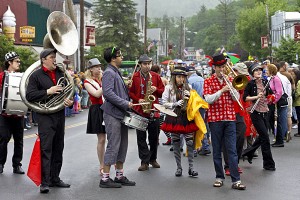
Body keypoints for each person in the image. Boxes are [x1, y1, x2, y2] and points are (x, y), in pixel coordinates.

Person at [26, 48, 74, 193]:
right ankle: (44, 182)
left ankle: (55, 178)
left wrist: (69, 100)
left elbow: (69, 90)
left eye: (55, 57)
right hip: (45, 116)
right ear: (43, 60)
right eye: (52, 57)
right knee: (46, 149)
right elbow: (30, 95)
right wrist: (48, 91)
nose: (55, 59)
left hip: (59, 113)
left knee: (59, 146)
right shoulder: (36, 76)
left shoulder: (60, 73)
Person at [203, 53, 246, 190]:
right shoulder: (208, 81)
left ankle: (236, 180)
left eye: (223, 66)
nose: (222, 69)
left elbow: (236, 99)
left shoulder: (231, 79)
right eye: (219, 67)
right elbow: (208, 99)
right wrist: (222, 90)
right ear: (214, 67)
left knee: (232, 150)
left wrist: (232, 88)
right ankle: (219, 177)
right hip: (215, 119)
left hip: (229, 118)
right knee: (216, 150)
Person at [100, 47, 135, 188]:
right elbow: (107, 93)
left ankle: (119, 175)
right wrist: (125, 103)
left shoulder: (115, 72)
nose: (122, 57)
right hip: (112, 113)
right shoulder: (109, 72)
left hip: (120, 113)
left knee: (122, 145)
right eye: (120, 55)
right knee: (113, 145)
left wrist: (126, 86)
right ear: (113, 58)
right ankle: (105, 179)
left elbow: (115, 90)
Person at [161, 66, 199, 177]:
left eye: (182, 77)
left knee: (190, 143)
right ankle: (179, 168)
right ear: (174, 77)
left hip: (186, 117)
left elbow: (194, 103)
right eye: (178, 77)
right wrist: (175, 104)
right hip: (173, 116)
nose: (181, 79)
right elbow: (163, 102)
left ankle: (191, 168)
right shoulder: (168, 88)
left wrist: (190, 99)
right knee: (176, 143)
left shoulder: (189, 87)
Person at [129, 55, 164, 171]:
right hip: (139, 111)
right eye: (145, 64)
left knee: (154, 138)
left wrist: (156, 90)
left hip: (153, 110)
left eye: (149, 64)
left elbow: (162, 91)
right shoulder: (134, 77)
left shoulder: (156, 76)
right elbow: (130, 92)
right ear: (140, 65)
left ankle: (153, 159)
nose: (147, 66)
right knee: (141, 138)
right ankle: (144, 161)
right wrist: (138, 99)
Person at [242, 63, 276, 171]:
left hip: (265, 112)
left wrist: (271, 97)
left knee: (262, 136)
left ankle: (248, 152)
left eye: (260, 70)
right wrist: (256, 96)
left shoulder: (266, 81)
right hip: (255, 113)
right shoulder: (250, 84)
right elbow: (245, 98)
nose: (258, 72)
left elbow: (270, 94)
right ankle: (268, 164)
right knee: (265, 137)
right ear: (252, 72)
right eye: (256, 70)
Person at [0, 52, 25, 175]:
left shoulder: (23, 77)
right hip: (5, 115)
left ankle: (17, 165)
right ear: (9, 62)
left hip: (19, 114)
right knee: (3, 139)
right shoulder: (1, 76)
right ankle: (0, 164)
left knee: (19, 140)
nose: (19, 63)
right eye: (17, 61)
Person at [84, 58, 106, 175]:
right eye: (96, 67)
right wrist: (106, 82)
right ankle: (101, 165)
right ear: (91, 69)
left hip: (107, 108)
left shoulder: (101, 80)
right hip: (97, 109)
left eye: (100, 66)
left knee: (112, 137)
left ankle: (111, 161)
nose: (99, 69)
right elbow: (96, 94)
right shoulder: (87, 82)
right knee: (101, 139)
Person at [186, 66, 211, 156]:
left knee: (194, 126)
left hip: (194, 106)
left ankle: (196, 149)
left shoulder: (189, 81)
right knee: (203, 124)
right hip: (203, 104)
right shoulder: (202, 79)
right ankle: (205, 146)